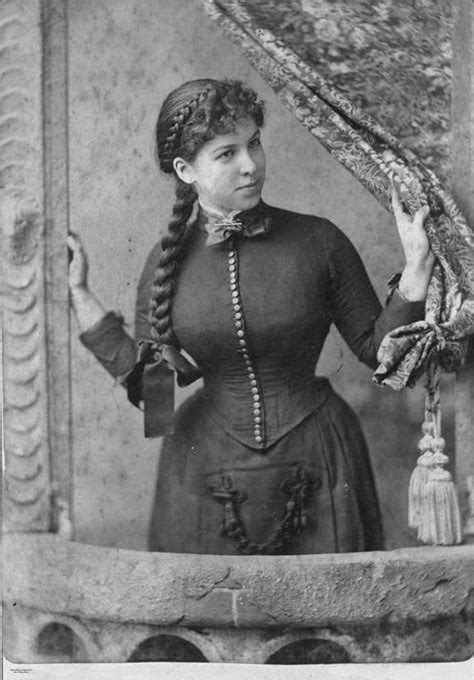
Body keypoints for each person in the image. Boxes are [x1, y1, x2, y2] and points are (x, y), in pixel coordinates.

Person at [68, 78, 434, 555]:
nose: (250, 165)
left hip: (321, 461)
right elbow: (157, 402)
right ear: (186, 170)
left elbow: (378, 352)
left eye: (254, 144)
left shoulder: (319, 241)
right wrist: (80, 294)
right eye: (227, 154)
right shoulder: (164, 263)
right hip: (203, 473)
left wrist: (417, 270)